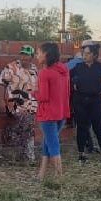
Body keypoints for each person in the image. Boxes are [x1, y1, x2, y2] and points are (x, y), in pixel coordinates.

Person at [70, 44, 101, 163]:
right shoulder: (78, 67)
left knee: (97, 127)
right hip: (80, 100)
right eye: (83, 53)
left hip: (95, 100)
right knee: (81, 127)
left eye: (88, 53)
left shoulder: (100, 67)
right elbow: (68, 77)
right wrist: (73, 83)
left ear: (94, 55)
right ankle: (81, 154)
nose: (85, 56)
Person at [34, 42, 70, 180]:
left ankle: (59, 176)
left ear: (46, 55)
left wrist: (32, 93)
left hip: (48, 113)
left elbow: (43, 97)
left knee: (53, 144)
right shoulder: (64, 70)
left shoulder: (45, 73)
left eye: (38, 53)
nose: (37, 56)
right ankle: (41, 174)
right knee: (48, 142)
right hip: (61, 112)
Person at [0, 45, 38, 164]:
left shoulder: (34, 69)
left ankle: (22, 154)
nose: (23, 57)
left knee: (27, 127)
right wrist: (1, 101)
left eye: (27, 55)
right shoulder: (11, 67)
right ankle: (29, 156)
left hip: (31, 105)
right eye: (22, 54)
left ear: (32, 57)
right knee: (27, 124)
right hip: (14, 104)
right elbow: (1, 84)